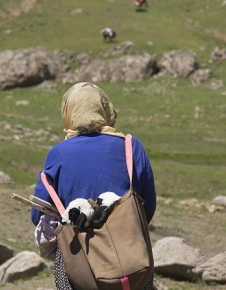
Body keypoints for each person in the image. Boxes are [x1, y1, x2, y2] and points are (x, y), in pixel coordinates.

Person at [30, 82, 157, 290]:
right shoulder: (131, 146)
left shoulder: (58, 153)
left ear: (68, 112)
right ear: (105, 109)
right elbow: (148, 206)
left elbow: (37, 216)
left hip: (78, 264)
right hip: (131, 259)